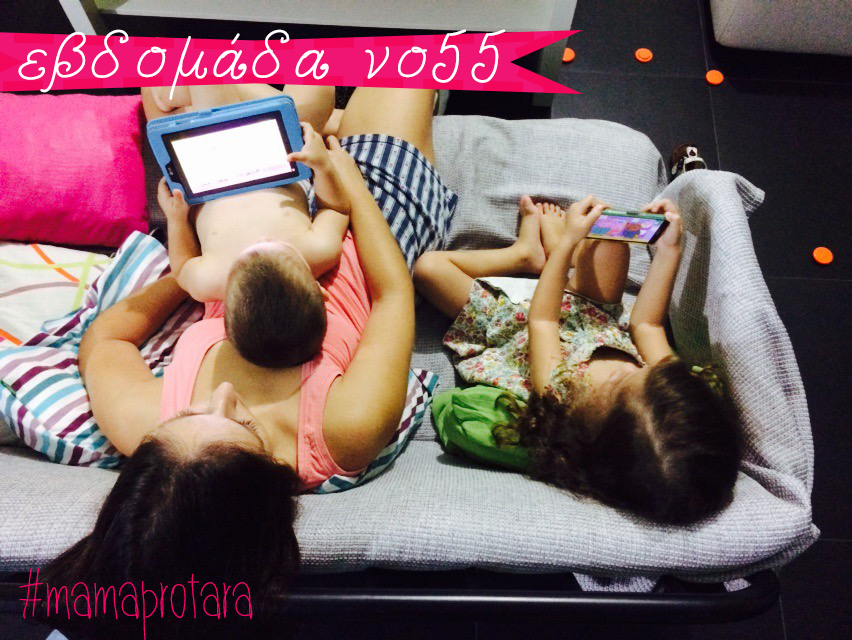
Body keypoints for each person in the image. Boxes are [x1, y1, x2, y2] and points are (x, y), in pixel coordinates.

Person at [40, 86, 457, 639]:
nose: (221, 395)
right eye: (243, 424)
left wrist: (197, 274)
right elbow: (392, 296)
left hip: (249, 234)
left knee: (171, 89)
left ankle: (323, 116)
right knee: (400, 70)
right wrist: (350, 185)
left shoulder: (142, 423)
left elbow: (105, 341)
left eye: (189, 414)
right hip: (365, 235)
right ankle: (339, 122)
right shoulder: (345, 427)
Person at [414, 195, 741, 525]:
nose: (624, 368)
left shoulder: (560, 395)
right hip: (591, 312)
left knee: (429, 269)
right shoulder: (669, 391)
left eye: (618, 381)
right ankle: (559, 259)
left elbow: (543, 321)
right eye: (643, 371)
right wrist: (669, 251)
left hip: (515, 323)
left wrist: (568, 243)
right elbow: (647, 325)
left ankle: (525, 255)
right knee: (610, 240)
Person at [147, 84, 351, 368]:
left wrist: (176, 219)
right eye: (277, 251)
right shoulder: (320, 250)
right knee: (319, 91)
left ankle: (183, 93)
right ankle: (182, 94)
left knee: (206, 87)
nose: (260, 244)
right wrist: (323, 166)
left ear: (226, 303)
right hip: (275, 161)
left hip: (210, 171)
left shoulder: (209, 281)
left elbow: (182, 269)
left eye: (245, 260)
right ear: (320, 290)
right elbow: (336, 208)